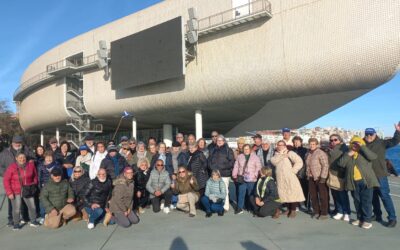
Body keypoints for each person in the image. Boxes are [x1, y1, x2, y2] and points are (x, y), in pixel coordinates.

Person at [338, 136, 379, 229]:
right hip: (353, 181)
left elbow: (373, 157)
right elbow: (341, 163)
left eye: (357, 143)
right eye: (353, 143)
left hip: (365, 181)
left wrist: (362, 147)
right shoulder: (348, 153)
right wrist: (350, 153)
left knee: (366, 201)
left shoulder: (364, 152)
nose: (355, 145)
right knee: (357, 201)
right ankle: (359, 218)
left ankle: (367, 220)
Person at [364, 125, 400, 228]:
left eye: (371, 134)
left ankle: (392, 218)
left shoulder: (382, 143)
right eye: (367, 134)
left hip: (380, 175)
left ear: (375, 134)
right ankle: (377, 215)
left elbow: (394, 141)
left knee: (385, 196)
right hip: (368, 175)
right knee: (373, 197)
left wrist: (397, 131)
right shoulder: (362, 144)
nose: (369, 136)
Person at [0, 135, 34, 226]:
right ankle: (11, 219)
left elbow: (32, 158)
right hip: (12, 181)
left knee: (25, 200)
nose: (18, 144)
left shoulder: (26, 150)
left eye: (20, 143)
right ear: (12, 143)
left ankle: (25, 217)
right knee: (12, 201)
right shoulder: (5, 153)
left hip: (25, 180)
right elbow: (0, 167)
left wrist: (31, 161)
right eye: (17, 143)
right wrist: (6, 174)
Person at [3, 152, 39, 230]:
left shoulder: (31, 165)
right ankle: (16, 224)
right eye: (20, 157)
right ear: (16, 158)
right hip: (16, 190)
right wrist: (9, 192)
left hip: (28, 189)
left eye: (23, 157)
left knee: (32, 206)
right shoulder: (12, 167)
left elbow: (35, 176)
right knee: (16, 208)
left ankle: (33, 221)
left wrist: (33, 183)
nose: (22, 159)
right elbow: (6, 180)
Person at [271, 140, 305, 218]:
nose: (280, 146)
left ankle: (293, 210)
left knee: (292, 192)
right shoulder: (275, 154)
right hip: (280, 177)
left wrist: (294, 170)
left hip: (290, 176)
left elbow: (299, 161)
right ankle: (288, 209)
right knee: (284, 193)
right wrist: (282, 156)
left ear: (284, 145)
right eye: (278, 145)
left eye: (282, 145)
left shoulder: (290, 153)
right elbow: (273, 161)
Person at [232, 144, 262, 214]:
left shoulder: (255, 157)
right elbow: (236, 166)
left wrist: (255, 175)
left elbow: (258, 167)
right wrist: (234, 174)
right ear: (243, 150)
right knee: (241, 193)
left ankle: (251, 207)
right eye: (244, 149)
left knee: (250, 194)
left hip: (251, 179)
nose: (246, 150)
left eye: (247, 149)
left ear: (250, 149)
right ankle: (239, 208)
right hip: (242, 178)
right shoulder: (240, 156)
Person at [208, 135, 235, 211]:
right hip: (214, 174)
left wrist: (222, 168)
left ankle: (225, 207)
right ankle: (216, 206)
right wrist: (211, 168)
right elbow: (209, 161)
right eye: (218, 140)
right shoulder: (213, 150)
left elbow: (231, 162)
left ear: (224, 141)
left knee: (224, 189)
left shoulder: (228, 150)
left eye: (221, 140)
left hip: (224, 174)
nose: (219, 142)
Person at [327, 134, 351, 222]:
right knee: (335, 195)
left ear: (340, 140)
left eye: (335, 140)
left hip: (340, 175)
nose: (333, 141)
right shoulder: (331, 149)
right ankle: (340, 211)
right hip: (332, 174)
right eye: (331, 140)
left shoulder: (344, 148)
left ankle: (347, 213)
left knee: (343, 195)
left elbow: (345, 161)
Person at [305, 138, 329, 219]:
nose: (311, 146)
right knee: (313, 196)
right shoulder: (308, 153)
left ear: (317, 145)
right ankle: (316, 211)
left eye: (313, 144)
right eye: (310, 144)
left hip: (319, 177)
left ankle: (324, 213)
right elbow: (307, 166)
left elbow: (325, 165)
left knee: (323, 196)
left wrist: (323, 177)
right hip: (311, 177)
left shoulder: (320, 153)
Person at [291, 136, 308, 211]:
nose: (296, 143)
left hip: (303, 172)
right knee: (295, 189)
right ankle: (296, 204)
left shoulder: (305, 150)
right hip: (294, 172)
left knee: (304, 189)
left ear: (301, 142)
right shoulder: (291, 151)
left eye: (298, 141)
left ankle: (304, 203)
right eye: (295, 142)